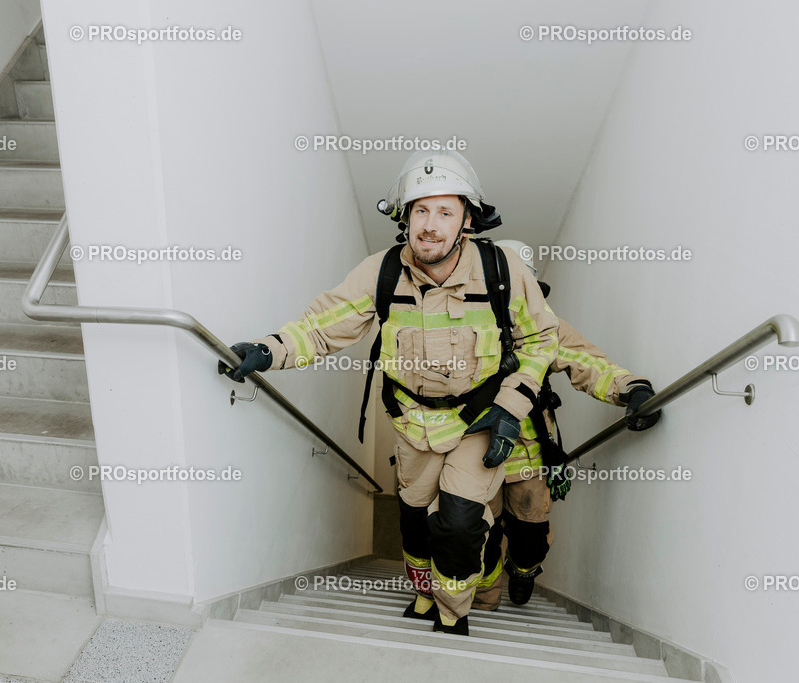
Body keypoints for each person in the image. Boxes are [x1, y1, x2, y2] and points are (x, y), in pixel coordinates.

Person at [219, 151, 558, 635]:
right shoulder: (381, 272)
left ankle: (451, 610)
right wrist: (267, 351)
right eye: (420, 210)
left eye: (445, 211)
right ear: (404, 216)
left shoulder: (503, 270)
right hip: (412, 424)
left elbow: (540, 340)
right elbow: (321, 327)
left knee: (460, 523)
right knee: (416, 523)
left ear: (467, 218)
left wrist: (511, 406)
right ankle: (423, 593)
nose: (431, 225)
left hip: (478, 423)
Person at [470, 240, 661, 610]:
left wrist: (632, 389)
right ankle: (486, 596)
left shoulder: (545, 326)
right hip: (474, 452)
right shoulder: (460, 321)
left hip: (527, 453)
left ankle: (523, 569)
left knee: (530, 537)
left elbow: (588, 363)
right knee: (482, 537)